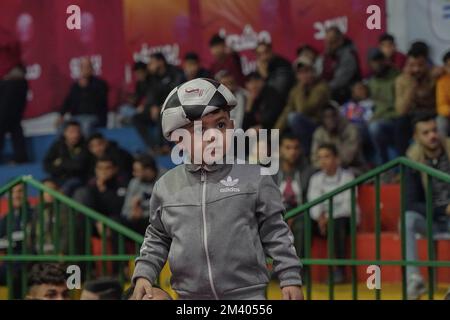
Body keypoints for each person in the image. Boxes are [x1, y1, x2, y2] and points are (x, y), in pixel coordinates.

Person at [131, 78, 303, 300]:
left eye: (221, 125)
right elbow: (157, 236)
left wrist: (290, 277)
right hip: (190, 298)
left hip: (247, 298)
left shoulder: (255, 177)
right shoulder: (165, 186)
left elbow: (276, 232)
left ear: (232, 127)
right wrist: (144, 274)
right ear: (178, 139)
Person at [404, 114, 450, 300]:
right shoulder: (412, 160)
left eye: (434, 130)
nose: (432, 136)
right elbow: (410, 203)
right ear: (416, 137)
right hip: (432, 219)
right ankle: (414, 279)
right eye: (426, 133)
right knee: (408, 218)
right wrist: (444, 209)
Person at [308, 143, 358, 283]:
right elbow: (313, 204)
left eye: (327, 156)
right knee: (303, 222)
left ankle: (339, 270)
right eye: (320, 157)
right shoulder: (315, 178)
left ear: (336, 158)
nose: (323, 161)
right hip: (321, 221)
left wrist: (328, 217)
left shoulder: (348, 177)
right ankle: (300, 268)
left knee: (337, 222)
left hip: (344, 220)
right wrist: (320, 217)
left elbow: (348, 206)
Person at [275, 60, 330, 157]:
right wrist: (275, 133)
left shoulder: (321, 87)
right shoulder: (295, 90)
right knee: (288, 122)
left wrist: (301, 88)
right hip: (303, 126)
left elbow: (304, 109)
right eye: (300, 73)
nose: (304, 75)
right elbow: (287, 111)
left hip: (320, 127)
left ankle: (306, 155)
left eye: (307, 71)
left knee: (294, 118)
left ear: (313, 72)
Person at [274, 132, 315, 256]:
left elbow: (310, 200)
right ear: (280, 149)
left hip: (301, 213)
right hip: (277, 214)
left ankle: (299, 269)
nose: (292, 152)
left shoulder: (308, 172)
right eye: (288, 148)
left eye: (296, 148)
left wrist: (294, 214)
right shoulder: (271, 173)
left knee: (302, 223)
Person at [132, 53, 183, 153]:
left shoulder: (175, 72)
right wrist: (152, 105)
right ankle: (154, 146)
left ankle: (165, 145)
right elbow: (152, 94)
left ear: (160, 62)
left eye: (152, 63)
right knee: (136, 118)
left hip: (175, 106)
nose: (149, 66)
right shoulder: (153, 77)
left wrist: (161, 105)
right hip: (157, 108)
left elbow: (177, 92)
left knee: (161, 110)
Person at [395, 48, 437, 156]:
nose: (416, 69)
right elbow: (401, 110)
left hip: (431, 115)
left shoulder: (433, 76)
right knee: (399, 123)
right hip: (410, 117)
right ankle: (403, 162)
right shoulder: (401, 80)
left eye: (420, 65)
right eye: (412, 65)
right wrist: (411, 87)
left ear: (426, 65)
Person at [57, 57, 108, 137]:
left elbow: (100, 103)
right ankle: (63, 149)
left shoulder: (100, 84)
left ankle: (85, 148)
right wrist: (61, 115)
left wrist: (87, 88)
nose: (85, 69)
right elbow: (68, 101)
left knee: (85, 126)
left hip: (93, 117)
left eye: (87, 67)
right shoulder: (75, 86)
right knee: (61, 127)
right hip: (75, 117)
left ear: (92, 69)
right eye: (83, 67)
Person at [311, 104, 366, 176]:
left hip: (352, 167)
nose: (330, 120)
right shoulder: (319, 133)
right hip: (325, 169)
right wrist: (324, 165)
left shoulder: (350, 130)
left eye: (332, 116)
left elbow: (347, 158)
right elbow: (314, 158)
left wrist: (330, 164)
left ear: (338, 117)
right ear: (322, 120)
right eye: (326, 117)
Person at [366, 48, 400, 165]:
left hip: (394, 119)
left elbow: (396, 107)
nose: (377, 64)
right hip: (377, 118)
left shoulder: (397, 77)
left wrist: (377, 117)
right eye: (374, 61)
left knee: (374, 127)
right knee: (357, 129)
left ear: (385, 61)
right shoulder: (372, 81)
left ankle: (383, 165)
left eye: (379, 60)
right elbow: (373, 104)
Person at [43, 121, 90, 196]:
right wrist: (69, 164)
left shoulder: (85, 145)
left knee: (70, 186)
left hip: (78, 179)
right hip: (58, 178)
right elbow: (46, 165)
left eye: (78, 131)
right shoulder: (57, 145)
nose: (75, 135)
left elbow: (80, 166)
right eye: (72, 132)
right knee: (46, 185)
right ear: (65, 133)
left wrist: (60, 162)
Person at [27, 178, 69, 255]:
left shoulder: (65, 210)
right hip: (38, 256)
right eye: (44, 190)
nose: (49, 193)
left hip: (59, 256)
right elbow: (31, 235)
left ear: (59, 192)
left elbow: (66, 233)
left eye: (52, 189)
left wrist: (62, 251)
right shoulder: (36, 211)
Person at [321, 26, 361, 104]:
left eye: (331, 42)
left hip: (346, 95)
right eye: (327, 42)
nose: (328, 46)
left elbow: (340, 81)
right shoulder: (328, 56)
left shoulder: (348, 55)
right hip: (333, 92)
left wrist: (322, 88)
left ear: (340, 41)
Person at [121, 154, 159, 235]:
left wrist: (143, 214)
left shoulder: (164, 180)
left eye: (137, 171)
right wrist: (132, 214)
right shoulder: (134, 182)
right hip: (137, 222)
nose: (134, 174)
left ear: (148, 170)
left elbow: (166, 211)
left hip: (156, 223)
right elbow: (125, 210)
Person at [118, 61, 149, 126]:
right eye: (136, 74)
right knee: (123, 109)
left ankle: (131, 120)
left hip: (148, 109)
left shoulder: (152, 81)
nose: (138, 76)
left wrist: (144, 106)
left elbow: (152, 98)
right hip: (138, 109)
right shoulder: (139, 84)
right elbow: (138, 97)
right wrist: (132, 100)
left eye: (139, 73)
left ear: (145, 71)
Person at [436, 50, 450, 137]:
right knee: (440, 120)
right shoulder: (442, 82)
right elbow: (441, 106)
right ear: (445, 67)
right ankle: (443, 149)